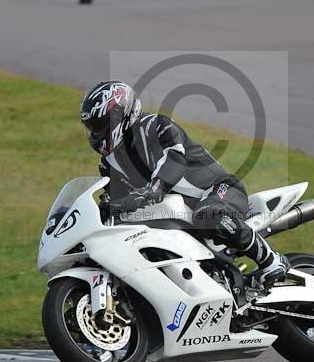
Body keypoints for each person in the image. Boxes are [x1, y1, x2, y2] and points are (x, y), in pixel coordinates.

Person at [79, 80, 290, 287]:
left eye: (99, 126)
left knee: (208, 213)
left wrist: (155, 188)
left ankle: (271, 261)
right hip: (179, 215)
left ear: (121, 115)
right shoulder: (108, 163)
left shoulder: (156, 126)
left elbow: (174, 160)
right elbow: (114, 203)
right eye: (91, 128)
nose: (95, 134)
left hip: (219, 189)